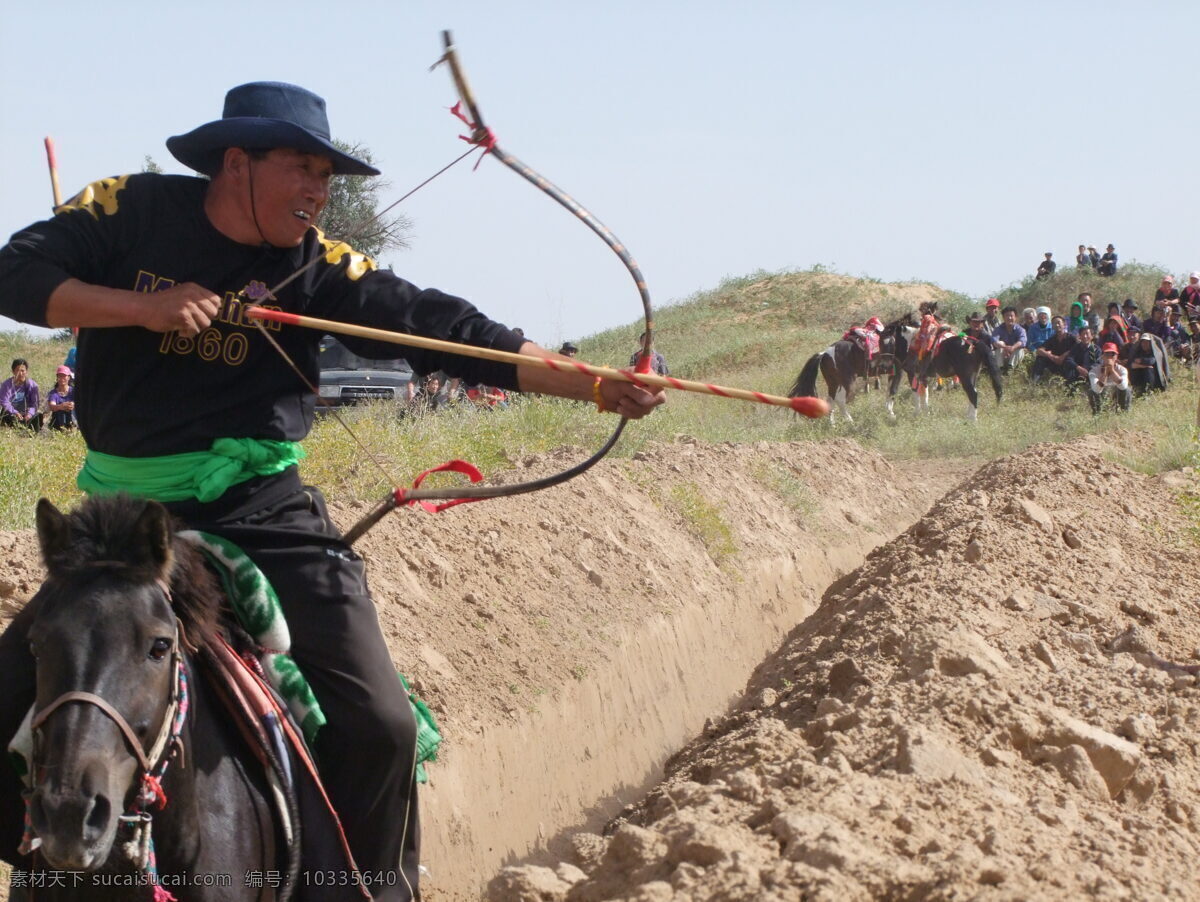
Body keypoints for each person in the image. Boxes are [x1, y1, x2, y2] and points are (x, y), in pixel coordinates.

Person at [0, 80, 665, 898]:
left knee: (381, 723)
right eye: (303, 169)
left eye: (329, 177)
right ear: (235, 162)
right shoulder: (127, 210)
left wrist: (590, 385)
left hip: (263, 511)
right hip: (127, 523)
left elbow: (440, 328)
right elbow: (16, 274)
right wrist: (141, 309)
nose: (320, 191)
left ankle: (369, 890)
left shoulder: (318, 265)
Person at [0, 358, 43, 432]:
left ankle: (31, 434)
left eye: (23, 370)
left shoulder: (32, 385)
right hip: (12, 413)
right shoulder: (6, 385)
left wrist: (29, 414)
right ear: (13, 371)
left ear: (26, 372)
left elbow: (35, 404)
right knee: (6, 414)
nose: (20, 373)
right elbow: (4, 402)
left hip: (25, 412)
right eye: (18, 370)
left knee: (38, 416)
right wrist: (15, 412)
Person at [1031, 315, 1076, 383]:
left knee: (1069, 361)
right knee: (1040, 358)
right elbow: (1039, 350)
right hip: (1056, 363)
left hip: (1068, 364)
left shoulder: (1071, 337)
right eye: (1054, 323)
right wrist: (1052, 357)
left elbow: (1077, 347)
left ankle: (1069, 387)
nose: (1057, 325)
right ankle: (1035, 381)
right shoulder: (1052, 339)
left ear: (1064, 324)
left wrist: (1063, 356)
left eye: (1058, 323)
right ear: (1052, 326)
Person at [1088, 343, 1131, 412]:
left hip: (1117, 394)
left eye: (1112, 354)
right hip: (1102, 394)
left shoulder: (1122, 370)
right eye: (1107, 354)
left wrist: (1112, 370)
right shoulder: (1094, 371)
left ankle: (1123, 412)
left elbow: (1123, 386)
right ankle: (1099, 413)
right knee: (1091, 391)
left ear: (1116, 356)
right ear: (1102, 356)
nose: (1109, 357)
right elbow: (1096, 389)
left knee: (1127, 390)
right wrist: (1105, 372)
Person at [1065, 324, 1100, 393]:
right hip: (1077, 371)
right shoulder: (1076, 347)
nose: (1085, 336)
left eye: (1087, 334)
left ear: (1092, 336)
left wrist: (1086, 370)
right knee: (1069, 369)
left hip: (1090, 372)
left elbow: (1098, 363)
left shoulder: (1096, 349)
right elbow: (1069, 359)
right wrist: (1078, 367)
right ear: (1079, 336)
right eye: (1082, 334)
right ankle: (1070, 393)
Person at [991, 306, 1028, 372]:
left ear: (1015, 317)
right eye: (1007, 316)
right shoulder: (998, 329)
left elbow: (1023, 341)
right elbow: (994, 340)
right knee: (999, 347)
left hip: (1014, 356)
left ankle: (1010, 369)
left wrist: (1013, 347)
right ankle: (1000, 369)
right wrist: (1005, 347)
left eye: (1011, 316)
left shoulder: (1020, 329)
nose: (1009, 318)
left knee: (1020, 350)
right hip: (1003, 356)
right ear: (1003, 317)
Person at [46, 364, 76, 430]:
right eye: (60, 376)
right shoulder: (53, 393)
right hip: (58, 422)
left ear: (68, 377)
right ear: (57, 378)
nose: (62, 378)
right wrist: (61, 406)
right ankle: (62, 429)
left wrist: (72, 404)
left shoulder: (73, 391)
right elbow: (52, 406)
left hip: (72, 419)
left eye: (64, 376)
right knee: (60, 411)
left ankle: (72, 428)